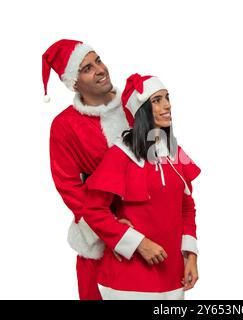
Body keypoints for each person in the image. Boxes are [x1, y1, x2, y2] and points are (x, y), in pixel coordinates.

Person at [81, 73, 200, 299]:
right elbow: (93, 210)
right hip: (129, 280)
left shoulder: (174, 152)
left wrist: (191, 255)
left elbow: (186, 207)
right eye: (156, 100)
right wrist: (139, 243)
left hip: (172, 277)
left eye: (167, 98)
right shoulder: (120, 154)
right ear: (141, 110)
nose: (167, 105)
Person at [42, 39, 131, 300]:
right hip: (99, 235)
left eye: (98, 61)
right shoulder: (64, 126)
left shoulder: (134, 104)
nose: (100, 69)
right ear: (74, 82)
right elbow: (69, 187)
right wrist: (113, 229)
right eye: (86, 68)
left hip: (148, 225)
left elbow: (162, 161)